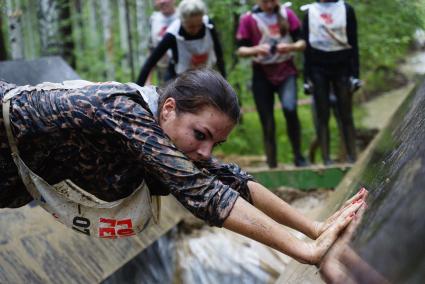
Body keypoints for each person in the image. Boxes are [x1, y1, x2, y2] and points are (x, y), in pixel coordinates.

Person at [0, 69, 365, 264]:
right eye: (201, 134)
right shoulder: (122, 111)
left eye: (215, 143)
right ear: (169, 108)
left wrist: (316, 229)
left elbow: (230, 181)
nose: (206, 151)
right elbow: (201, 192)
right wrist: (304, 252)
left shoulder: (164, 132)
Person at [236, 0, 307, 168]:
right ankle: (272, 162)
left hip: (286, 70)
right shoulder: (248, 19)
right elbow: (240, 49)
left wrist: (290, 47)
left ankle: (299, 156)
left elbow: (302, 42)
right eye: (265, 1)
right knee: (267, 120)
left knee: (290, 109)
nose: (269, 4)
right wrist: (257, 49)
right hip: (261, 73)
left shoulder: (287, 14)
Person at [302, 0, 360, 165]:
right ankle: (326, 160)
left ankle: (352, 158)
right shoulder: (309, 11)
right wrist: (306, 78)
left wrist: (355, 74)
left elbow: (354, 43)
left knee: (345, 114)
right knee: (322, 115)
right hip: (318, 69)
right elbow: (306, 48)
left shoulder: (346, 9)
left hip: (342, 67)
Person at [137, 0, 226, 86]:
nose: (196, 30)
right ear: (183, 22)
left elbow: (219, 53)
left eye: (199, 25)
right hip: (178, 77)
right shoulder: (172, 33)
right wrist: (135, 91)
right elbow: (150, 62)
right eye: (191, 27)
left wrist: (224, 81)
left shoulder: (208, 25)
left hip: (206, 74)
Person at [146, 0, 177, 85]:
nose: (162, 2)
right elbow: (151, 50)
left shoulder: (183, 16)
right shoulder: (153, 20)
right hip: (163, 72)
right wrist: (148, 80)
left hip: (183, 71)